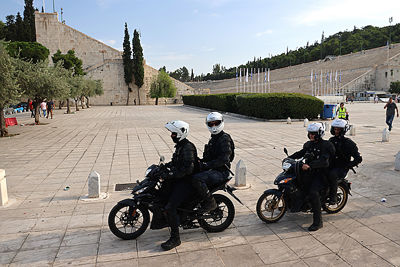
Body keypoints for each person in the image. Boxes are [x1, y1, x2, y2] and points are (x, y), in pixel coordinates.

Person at [289, 123, 335, 231]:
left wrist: (310, 165)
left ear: (319, 133)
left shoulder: (326, 145)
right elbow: (301, 152)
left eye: (313, 134)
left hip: (321, 174)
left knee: (313, 192)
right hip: (309, 172)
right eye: (309, 133)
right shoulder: (309, 144)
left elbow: (324, 161)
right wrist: (289, 158)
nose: (311, 136)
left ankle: (318, 222)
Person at [162, 120, 197, 251]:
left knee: (170, 207)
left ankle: (175, 238)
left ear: (181, 133)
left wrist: (171, 175)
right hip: (180, 180)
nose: (172, 136)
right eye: (171, 133)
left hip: (186, 182)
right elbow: (176, 162)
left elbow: (187, 169)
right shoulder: (181, 146)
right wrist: (164, 167)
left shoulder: (187, 148)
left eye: (174, 134)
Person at [192, 112, 235, 213]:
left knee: (197, 179)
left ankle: (210, 202)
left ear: (221, 122)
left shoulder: (224, 139)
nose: (214, 126)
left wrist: (206, 165)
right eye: (211, 124)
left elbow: (224, 159)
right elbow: (208, 158)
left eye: (216, 123)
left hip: (221, 172)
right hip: (213, 169)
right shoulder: (213, 139)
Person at [328, 119, 362, 204]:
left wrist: (348, 165)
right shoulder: (331, 140)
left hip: (341, 168)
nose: (336, 131)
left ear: (343, 130)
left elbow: (358, 158)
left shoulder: (349, 143)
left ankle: (333, 197)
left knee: (332, 175)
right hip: (331, 165)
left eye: (338, 129)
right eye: (335, 129)